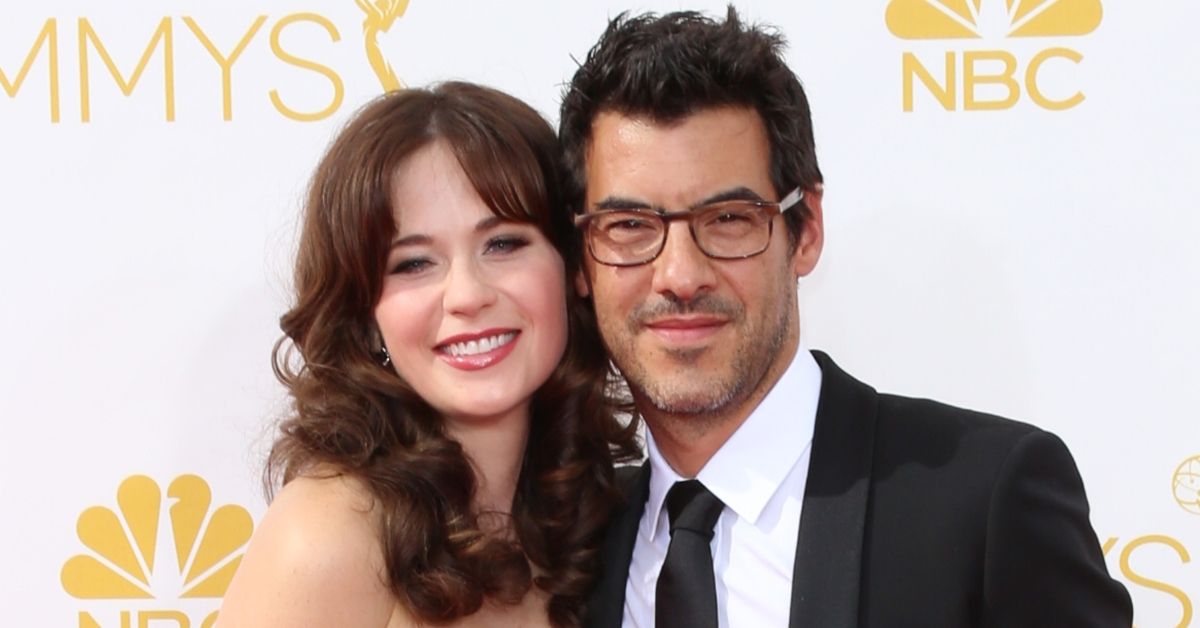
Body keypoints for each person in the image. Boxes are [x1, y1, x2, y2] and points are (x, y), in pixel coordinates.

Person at [559, 8, 1133, 627]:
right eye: (629, 227)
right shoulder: (566, 545)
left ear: (805, 231)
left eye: (727, 219)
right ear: (581, 264)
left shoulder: (984, 501)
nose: (678, 276)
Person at [218, 82, 639, 628]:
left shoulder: (597, 528)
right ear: (366, 316)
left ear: (573, 268)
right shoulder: (327, 538)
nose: (467, 295)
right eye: (414, 264)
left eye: (504, 244)